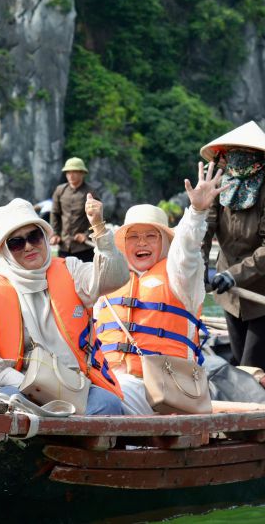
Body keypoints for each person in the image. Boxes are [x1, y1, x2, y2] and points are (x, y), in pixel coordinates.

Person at [0, 196, 129, 415]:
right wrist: (31, 386)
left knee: (109, 405)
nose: (28, 246)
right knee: (6, 405)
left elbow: (115, 278)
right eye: (16, 242)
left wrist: (99, 228)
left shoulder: (71, 269)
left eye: (34, 236)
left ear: (45, 236)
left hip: (75, 385)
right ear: (5, 250)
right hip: (20, 387)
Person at [96, 163, 227, 414]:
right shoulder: (110, 282)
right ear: (124, 244)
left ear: (165, 242)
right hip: (106, 379)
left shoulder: (179, 276)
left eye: (151, 236)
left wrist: (197, 212)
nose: (141, 243)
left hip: (162, 388)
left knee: (105, 400)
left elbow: (187, 249)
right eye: (134, 236)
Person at [200, 121, 265, 375]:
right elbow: (204, 231)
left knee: (253, 364)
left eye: (246, 155)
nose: (238, 160)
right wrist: (199, 270)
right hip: (228, 288)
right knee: (238, 357)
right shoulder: (218, 189)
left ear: (260, 159)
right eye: (234, 154)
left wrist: (234, 275)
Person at [50, 157, 102, 262]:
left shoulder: (90, 192)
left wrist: (87, 234)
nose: (71, 175)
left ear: (82, 173)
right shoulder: (60, 190)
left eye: (74, 172)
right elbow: (55, 213)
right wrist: (55, 234)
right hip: (64, 246)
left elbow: (97, 217)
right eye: (68, 172)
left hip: (84, 247)